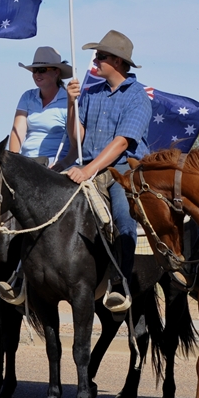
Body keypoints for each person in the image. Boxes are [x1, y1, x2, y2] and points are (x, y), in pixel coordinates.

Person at [59, 30, 152, 313]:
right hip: (86, 166)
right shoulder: (91, 93)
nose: (95, 61)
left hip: (121, 171)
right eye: (96, 56)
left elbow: (122, 142)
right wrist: (71, 103)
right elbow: (77, 138)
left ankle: (120, 283)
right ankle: (25, 277)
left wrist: (88, 170)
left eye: (101, 56)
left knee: (124, 219)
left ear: (119, 62)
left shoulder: (138, 97)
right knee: (45, 204)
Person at [0, 46, 73, 305]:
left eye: (41, 70)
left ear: (56, 72)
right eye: (34, 70)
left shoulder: (68, 98)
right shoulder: (27, 97)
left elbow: (75, 141)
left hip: (54, 166)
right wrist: (12, 165)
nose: (36, 74)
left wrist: (58, 166)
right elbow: (17, 134)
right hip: (25, 166)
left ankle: (23, 274)